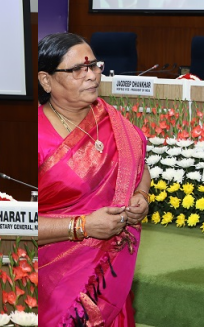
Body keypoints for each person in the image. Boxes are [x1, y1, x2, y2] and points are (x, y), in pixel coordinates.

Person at [34, 32, 149, 327]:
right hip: (52, 281)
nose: (92, 75)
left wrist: (141, 196)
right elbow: (18, 223)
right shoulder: (33, 136)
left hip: (110, 274)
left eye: (94, 66)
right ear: (46, 81)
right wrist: (83, 226)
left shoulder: (111, 121)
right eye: (77, 70)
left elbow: (139, 167)